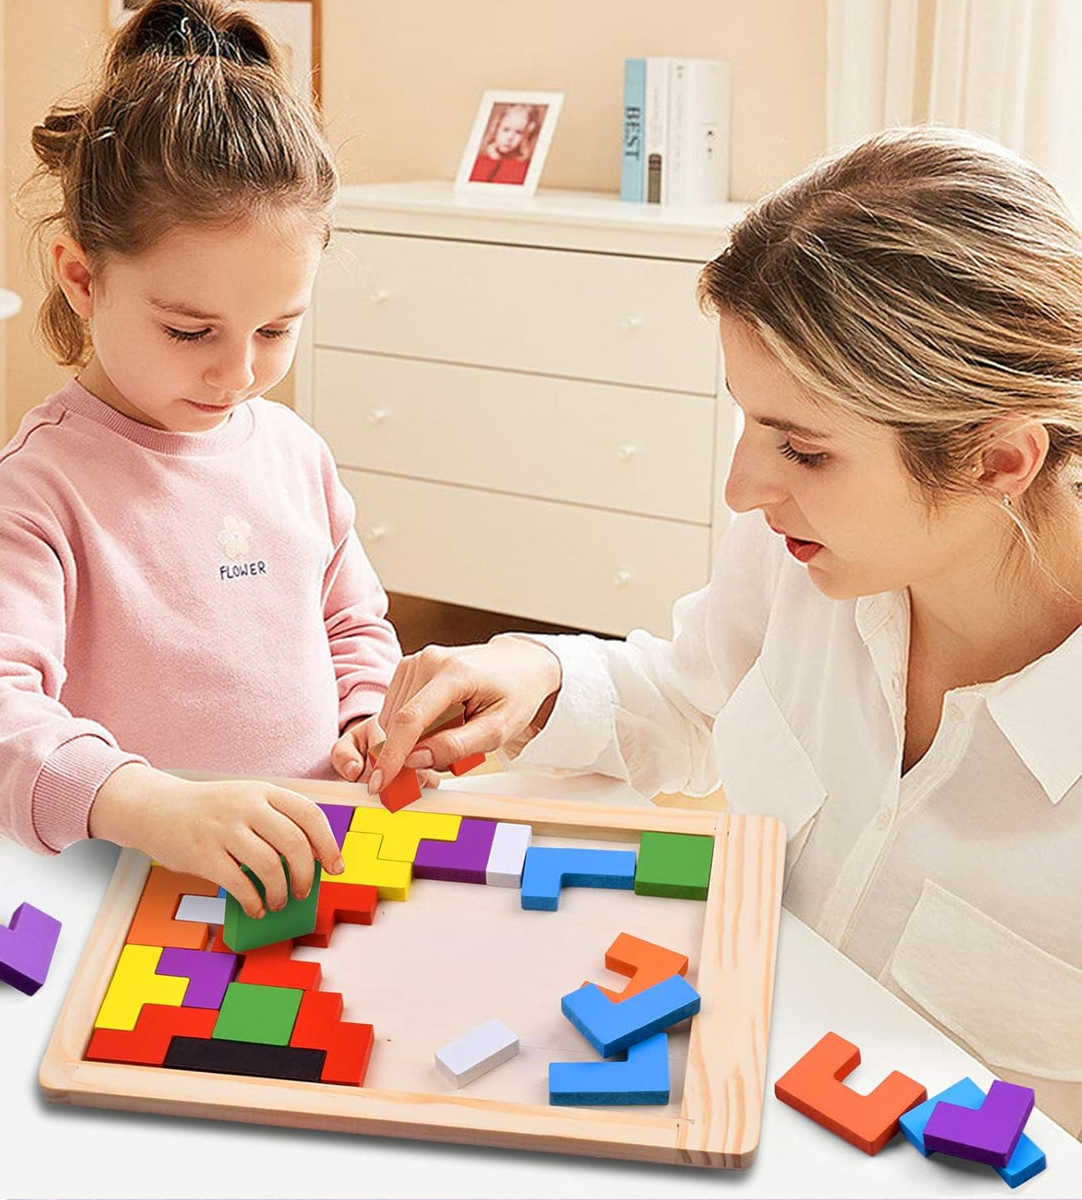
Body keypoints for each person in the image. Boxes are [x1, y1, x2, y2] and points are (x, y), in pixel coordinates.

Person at [370, 126, 1082, 1136]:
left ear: (997, 461)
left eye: (803, 449)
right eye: (748, 421)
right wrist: (536, 670)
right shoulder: (812, 552)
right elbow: (694, 694)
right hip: (735, 1109)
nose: (745, 490)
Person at [0, 0, 413, 921]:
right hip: (123, 899)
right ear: (81, 275)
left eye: (276, 328)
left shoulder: (296, 455)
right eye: (190, 330)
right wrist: (145, 804)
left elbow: (352, 629)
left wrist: (366, 717)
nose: (238, 371)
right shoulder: (33, 491)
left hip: (298, 886)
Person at [469, 104, 539, 185]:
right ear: (496, 129)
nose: (510, 137)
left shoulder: (523, 167)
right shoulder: (481, 159)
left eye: (518, 132)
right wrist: (492, 160)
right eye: (506, 130)